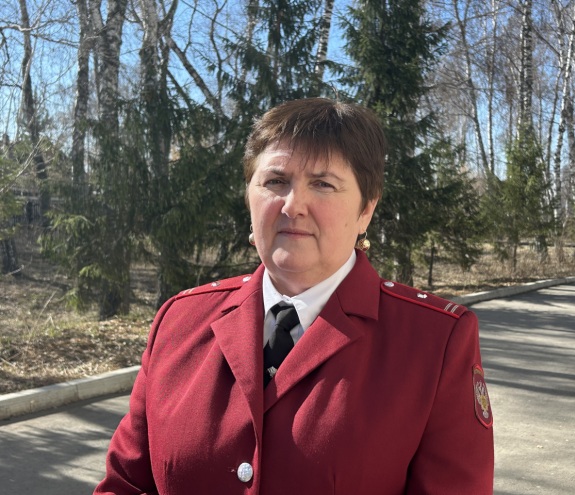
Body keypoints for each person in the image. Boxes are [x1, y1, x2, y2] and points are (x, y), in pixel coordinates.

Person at [95, 97, 494, 495]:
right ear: (249, 197)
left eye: (323, 184)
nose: (292, 205)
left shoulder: (435, 342)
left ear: (366, 211)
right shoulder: (181, 320)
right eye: (275, 181)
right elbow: (125, 485)